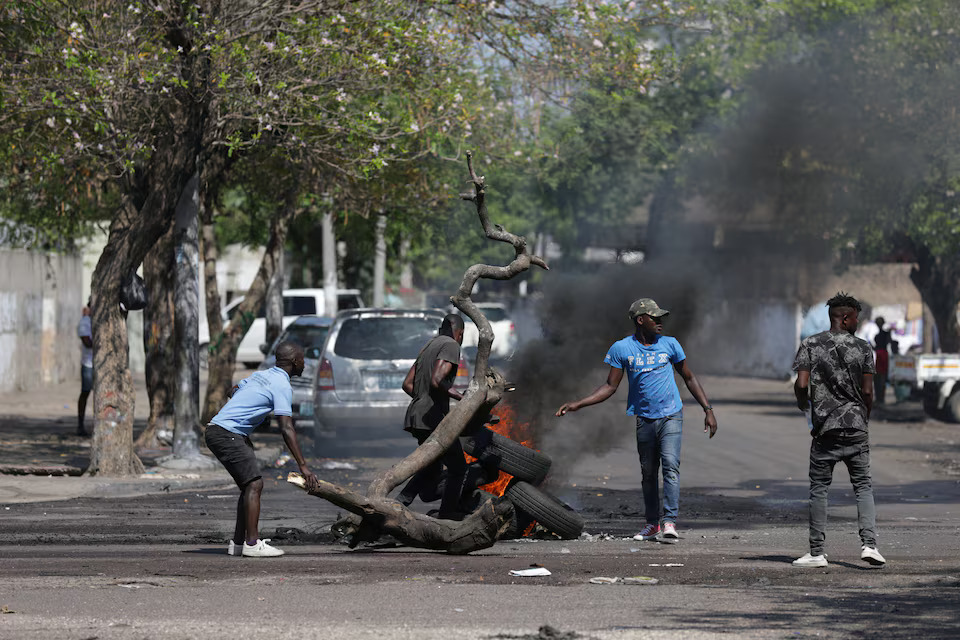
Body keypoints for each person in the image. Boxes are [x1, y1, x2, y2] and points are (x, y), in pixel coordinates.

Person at [556, 298, 717, 542]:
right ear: (641, 320)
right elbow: (610, 386)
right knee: (649, 473)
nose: (660, 322)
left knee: (671, 466)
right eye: (655, 318)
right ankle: (652, 524)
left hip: (671, 415)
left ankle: (669, 522)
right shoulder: (622, 349)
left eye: (661, 317)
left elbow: (689, 378)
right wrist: (579, 403)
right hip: (644, 419)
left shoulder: (670, 345)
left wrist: (708, 408)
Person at [792, 292, 885, 568]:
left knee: (819, 489)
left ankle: (817, 552)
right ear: (844, 318)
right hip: (856, 427)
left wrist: (804, 405)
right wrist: (863, 418)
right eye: (855, 317)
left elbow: (800, 384)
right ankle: (869, 545)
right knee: (863, 486)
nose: (858, 322)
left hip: (825, 430)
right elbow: (868, 392)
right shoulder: (863, 348)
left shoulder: (810, 344)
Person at [205, 341, 318, 557]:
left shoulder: (261, 375)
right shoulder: (282, 385)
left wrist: (246, 416)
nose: (304, 364)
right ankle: (252, 543)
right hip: (226, 433)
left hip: (217, 430)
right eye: (303, 359)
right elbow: (286, 427)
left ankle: (238, 544)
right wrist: (303, 467)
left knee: (248, 485)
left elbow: (233, 390)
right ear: (295, 362)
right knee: (255, 484)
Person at [396, 314, 468, 519]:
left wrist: (422, 400)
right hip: (433, 419)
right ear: (460, 333)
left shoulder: (429, 345)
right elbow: (437, 380)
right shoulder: (451, 346)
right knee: (458, 468)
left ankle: (399, 503)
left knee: (431, 466)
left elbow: (407, 383)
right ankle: (447, 517)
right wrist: (462, 397)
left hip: (417, 416)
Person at [76, 302, 93, 437]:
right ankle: (80, 424)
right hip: (89, 364)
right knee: (85, 393)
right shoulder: (85, 322)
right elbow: (86, 342)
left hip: (101, 366)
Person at [872, 317, 891, 405]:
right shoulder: (886, 334)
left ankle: (880, 397)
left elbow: (876, 347)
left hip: (880, 356)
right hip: (883, 355)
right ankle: (880, 397)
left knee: (879, 376)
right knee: (882, 376)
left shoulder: (878, 335)